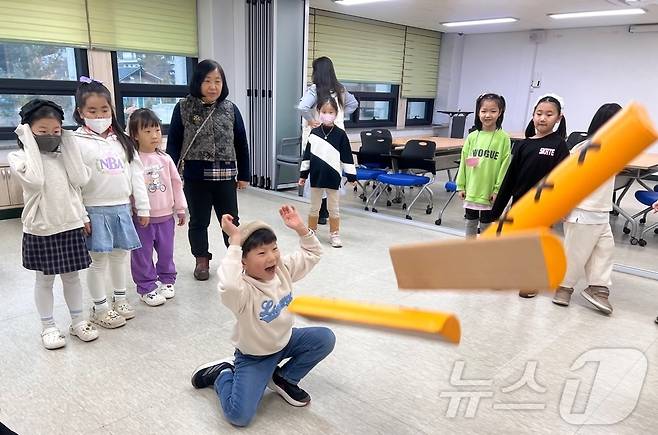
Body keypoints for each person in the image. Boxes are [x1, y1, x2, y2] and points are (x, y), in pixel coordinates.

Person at [190, 205, 335, 427]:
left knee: (324, 338)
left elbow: (313, 253)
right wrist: (235, 240)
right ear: (243, 262)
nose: (271, 257)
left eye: (274, 249)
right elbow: (228, 284)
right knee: (239, 416)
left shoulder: (282, 269)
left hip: (285, 342)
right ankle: (222, 374)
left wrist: (300, 228)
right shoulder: (242, 291)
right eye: (261, 252)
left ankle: (284, 378)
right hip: (254, 356)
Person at [8, 99, 98, 349]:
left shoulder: (64, 155)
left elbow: (78, 183)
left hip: (69, 225)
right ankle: (48, 326)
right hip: (41, 228)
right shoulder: (19, 157)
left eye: (56, 131)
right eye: (42, 131)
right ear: (27, 130)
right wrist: (28, 141)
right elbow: (35, 181)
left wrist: (82, 217)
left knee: (72, 278)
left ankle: (78, 321)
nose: (50, 136)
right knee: (44, 281)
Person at [73, 78, 150, 328]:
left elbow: (136, 175)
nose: (99, 115)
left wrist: (143, 206)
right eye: (92, 111)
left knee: (120, 257)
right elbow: (72, 184)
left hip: (121, 208)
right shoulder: (75, 142)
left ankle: (120, 299)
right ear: (80, 112)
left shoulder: (122, 140)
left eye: (104, 110)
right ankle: (100, 307)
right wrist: (81, 216)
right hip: (93, 210)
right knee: (97, 262)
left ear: (111, 110)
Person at [167, 59, 250, 281]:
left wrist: (244, 175)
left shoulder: (231, 109)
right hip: (196, 177)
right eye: (207, 81)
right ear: (197, 82)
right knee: (199, 221)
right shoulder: (183, 107)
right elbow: (174, 143)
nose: (213, 86)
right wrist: (171, 174)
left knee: (231, 221)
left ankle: (238, 259)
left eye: (217, 81)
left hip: (225, 176)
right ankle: (201, 260)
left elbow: (241, 142)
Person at [491, 94, 570, 298]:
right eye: (539, 113)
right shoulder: (523, 144)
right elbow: (510, 179)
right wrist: (497, 210)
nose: (543, 118)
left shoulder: (559, 145)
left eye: (549, 114)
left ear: (558, 118)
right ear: (533, 116)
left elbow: (564, 179)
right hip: (519, 204)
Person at [552, 103, 622, 314]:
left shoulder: (614, 148)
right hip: (583, 210)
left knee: (604, 250)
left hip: (601, 211)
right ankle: (563, 288)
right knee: (576, 253)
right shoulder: (585, 149)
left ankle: (598, 288)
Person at [128, 109, 187, 306]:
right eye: (147, 131)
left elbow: (176, 184)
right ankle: (146, 287)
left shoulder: (165, 159)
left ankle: (167, 280)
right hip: (142, 219)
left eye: (157, 130)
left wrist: (180, 208)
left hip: (166, 217)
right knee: (142, 255)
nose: (154, 135)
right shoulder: (132, 160)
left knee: (166, 252)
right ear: (135, 135)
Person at [298, 56, 358, 225]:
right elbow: (354, 105)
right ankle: (328, 212)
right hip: (336, 135)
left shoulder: (315, 90)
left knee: (317, 171)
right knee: (333, 171)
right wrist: (338, 113)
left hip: (318, 136)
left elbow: (302, 107)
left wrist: (311, 120)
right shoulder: (341, 90)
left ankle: (320, 213)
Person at [299, 97, 356, 247]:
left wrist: (351, 175)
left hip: (333, 177)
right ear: (319, 112)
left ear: (336, 113)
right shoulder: (314, 133)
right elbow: (307, 156)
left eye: (331, 112)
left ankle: (334, 234)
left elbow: (347, 156)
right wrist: (303, 175)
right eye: (324, 111)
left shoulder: (340, 134)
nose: (327, 114)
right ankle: (311, 233)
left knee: (333, 208)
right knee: (314, 207)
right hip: (316, 177)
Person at [456, 93, 511, 238]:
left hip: (489, 191)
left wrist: (497, 190)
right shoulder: (472, 137)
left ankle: (484, 252)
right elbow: (464, 162)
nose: (488, 115)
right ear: (478, 112)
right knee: (470, 222)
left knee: (487, 224)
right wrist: (460, 185)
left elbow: (504, 166)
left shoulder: (503, 138)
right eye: (484, 111)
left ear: (500, 113)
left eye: (493, 111)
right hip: (472, 189)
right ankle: (469, 250)